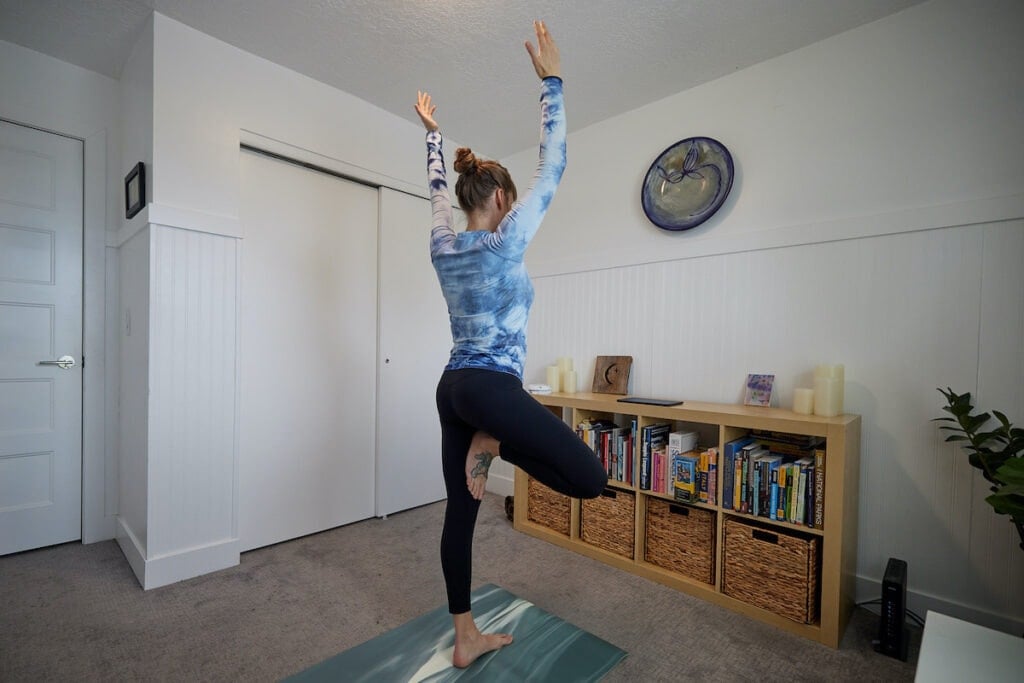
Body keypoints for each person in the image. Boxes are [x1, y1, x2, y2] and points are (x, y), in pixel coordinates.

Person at [414, 20, 608, 669]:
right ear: (501, 198)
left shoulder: (443, 245)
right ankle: (496, 442)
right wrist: (551, 82)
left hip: (452, 388)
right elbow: (553, 163)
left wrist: (434, 139)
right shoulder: (504, 241)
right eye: (512, 197)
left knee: (460, 512)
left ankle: (464, 634)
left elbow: (437, 194)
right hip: (491, 388)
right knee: (589, 477)